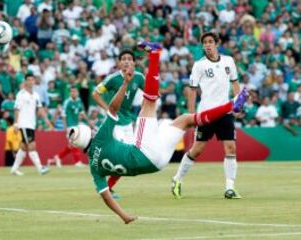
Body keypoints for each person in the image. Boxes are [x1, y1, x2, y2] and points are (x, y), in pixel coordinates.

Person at [67, 42, 249, 224]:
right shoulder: (100, 138)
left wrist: (125, 217)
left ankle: (231, 105)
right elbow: (114, 108)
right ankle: (154, 54)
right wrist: (126, 84)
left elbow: (106, 197)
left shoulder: (93, 167)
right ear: (88, 134)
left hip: (157, 164)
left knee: (185, 119)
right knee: (149, 104)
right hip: (143, 152)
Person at [171, 32, 242, 199]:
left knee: (231, 148)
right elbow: (192, 90)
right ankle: (177, 179)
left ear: (217, 43)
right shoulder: (199, 65)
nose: (208, 45)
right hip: (206, 114)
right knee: (197, 150)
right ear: (203, 46)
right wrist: (191, 115)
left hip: (225, 111)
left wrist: (237, 104)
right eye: (205, 43)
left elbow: (235, 83)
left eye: (211, 42)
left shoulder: (228, 61)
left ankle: (229, 188)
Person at [92, 49, 145, 197]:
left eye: (129, 59)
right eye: (123, 59)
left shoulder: (139, 77)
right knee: (121, 156)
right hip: (114, 121)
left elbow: (151, 93)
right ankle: (105, 185)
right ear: (119, 63)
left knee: (128, 159)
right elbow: (95, 93)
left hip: (128, 122)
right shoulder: (113, 79)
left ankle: (107, 186)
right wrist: (107, 108)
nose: (127, 61)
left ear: (134, 62)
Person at [10, 73, 51, 176]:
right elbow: (16, 109)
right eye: (28, 80)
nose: (30, 82)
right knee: (32, 145)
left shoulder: (36, 95)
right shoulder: (21, 94)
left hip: (32, 124)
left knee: (24, 147)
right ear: (25, 81)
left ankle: (14, 169)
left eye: (32, 80)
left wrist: (46, 120)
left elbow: (40, 108)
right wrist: (15, 123)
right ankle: (40, 168)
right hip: (23, 124)